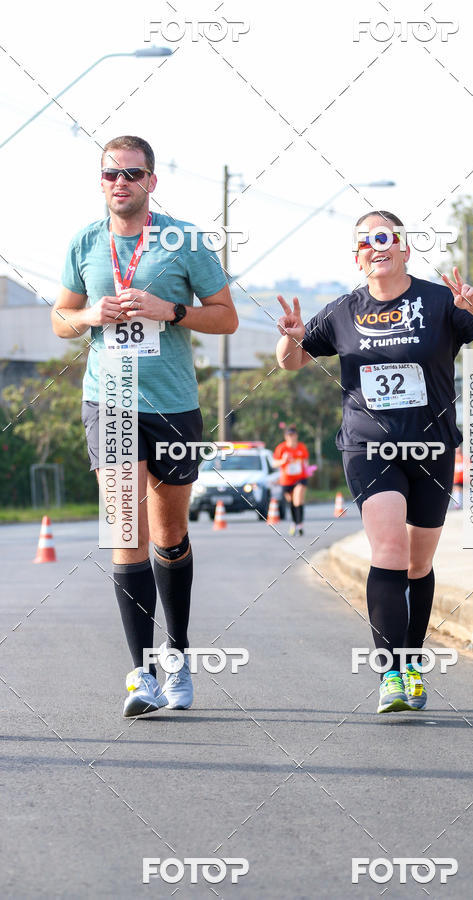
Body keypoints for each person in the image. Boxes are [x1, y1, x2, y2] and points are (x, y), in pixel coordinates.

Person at [276, 210, 473, 713]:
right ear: (357, 256)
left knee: (419, 561)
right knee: (387, 548)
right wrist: (292, 334)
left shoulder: (438, 301)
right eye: (364, 241)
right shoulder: (343, 311)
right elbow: (292, 360)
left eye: (384, 237)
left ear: (405, 248)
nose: (375, 246)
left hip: (431, 447)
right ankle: (390, 674)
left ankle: (411, 659)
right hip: (369, 446)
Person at [52, 135, 238, 717]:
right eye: (111, 174)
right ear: (101, 182)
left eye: (132, 173)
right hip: (109, 404)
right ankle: (141, 675)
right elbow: (60, 319)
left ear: (151, 181)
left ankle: (178, 657)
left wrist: (171, 310)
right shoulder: (85, 241)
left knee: (169, 536)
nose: (120, 183)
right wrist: (88, 315)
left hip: (173, 406)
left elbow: (227, 317)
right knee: (124, 531)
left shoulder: (183, 240)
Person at [273, 425, 310, 535]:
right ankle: (294, 522)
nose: (291, 437)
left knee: (298, 499)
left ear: (296, 436)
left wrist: (307, 468)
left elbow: (306, 461)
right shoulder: (281, 448)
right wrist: (283, 460)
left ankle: (300, 525)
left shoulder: (301, 447)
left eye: (293, 435)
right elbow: (274, 464)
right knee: (292, 502)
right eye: (289, 435)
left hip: (300, 478)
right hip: (286, 480)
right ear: (286, 437)